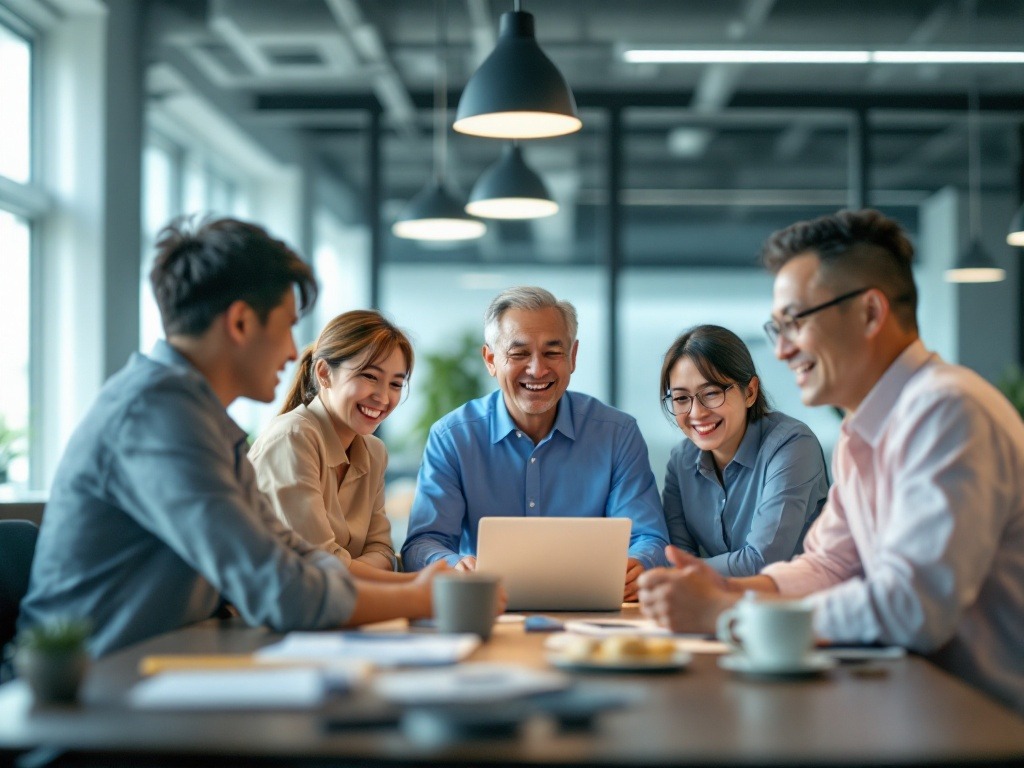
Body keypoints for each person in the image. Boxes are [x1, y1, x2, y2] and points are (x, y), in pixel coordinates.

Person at [638, 209, 1024, 714]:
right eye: (776, 328)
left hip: (981, 720)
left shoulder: (946, 410)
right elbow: (832, 563)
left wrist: (729, 612)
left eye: (795, 321)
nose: (780, 350)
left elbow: (912, 608)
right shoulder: (864, 427)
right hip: (909, 704)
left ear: (869, 313)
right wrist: (724, 588)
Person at [17, 217, 447, 657]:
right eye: (285, 326)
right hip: (86, 684)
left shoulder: (200, 418)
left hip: (160, 663)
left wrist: (420, 582)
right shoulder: (158, 416)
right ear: (240, 322)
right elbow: (279, 590)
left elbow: (292, 554)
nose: (290, 351)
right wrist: (425, 598)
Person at [401, 286, 670, 600]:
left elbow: (649, 536)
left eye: (552, 352)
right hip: (487, 607)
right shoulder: (453, 437)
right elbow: (422, 544)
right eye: (518, 353)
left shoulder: (617, 433)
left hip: (593, 612)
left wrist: (641, 562)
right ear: (490, 360)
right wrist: (452, 565)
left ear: (572, 357)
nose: (537, 369)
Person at [249, 310, 414, 582]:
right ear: (324, 373)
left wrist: (348, 569)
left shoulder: (374, 452)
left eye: (396, 384)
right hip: (268, 616)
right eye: (370, 376)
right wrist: (415, 585)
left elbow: (383, 550)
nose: (383, 397)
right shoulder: (292, 438)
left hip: (339, 610)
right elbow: (318, 566)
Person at [659, 324, 828, 577]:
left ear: (749, 392)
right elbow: (675, 557)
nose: (696, 413)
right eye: (682, 398)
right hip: (720, 607)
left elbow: (761, 561)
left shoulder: (792, 445)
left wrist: (687, 574)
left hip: (796, 609)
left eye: (712, 393)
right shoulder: (681, 462)